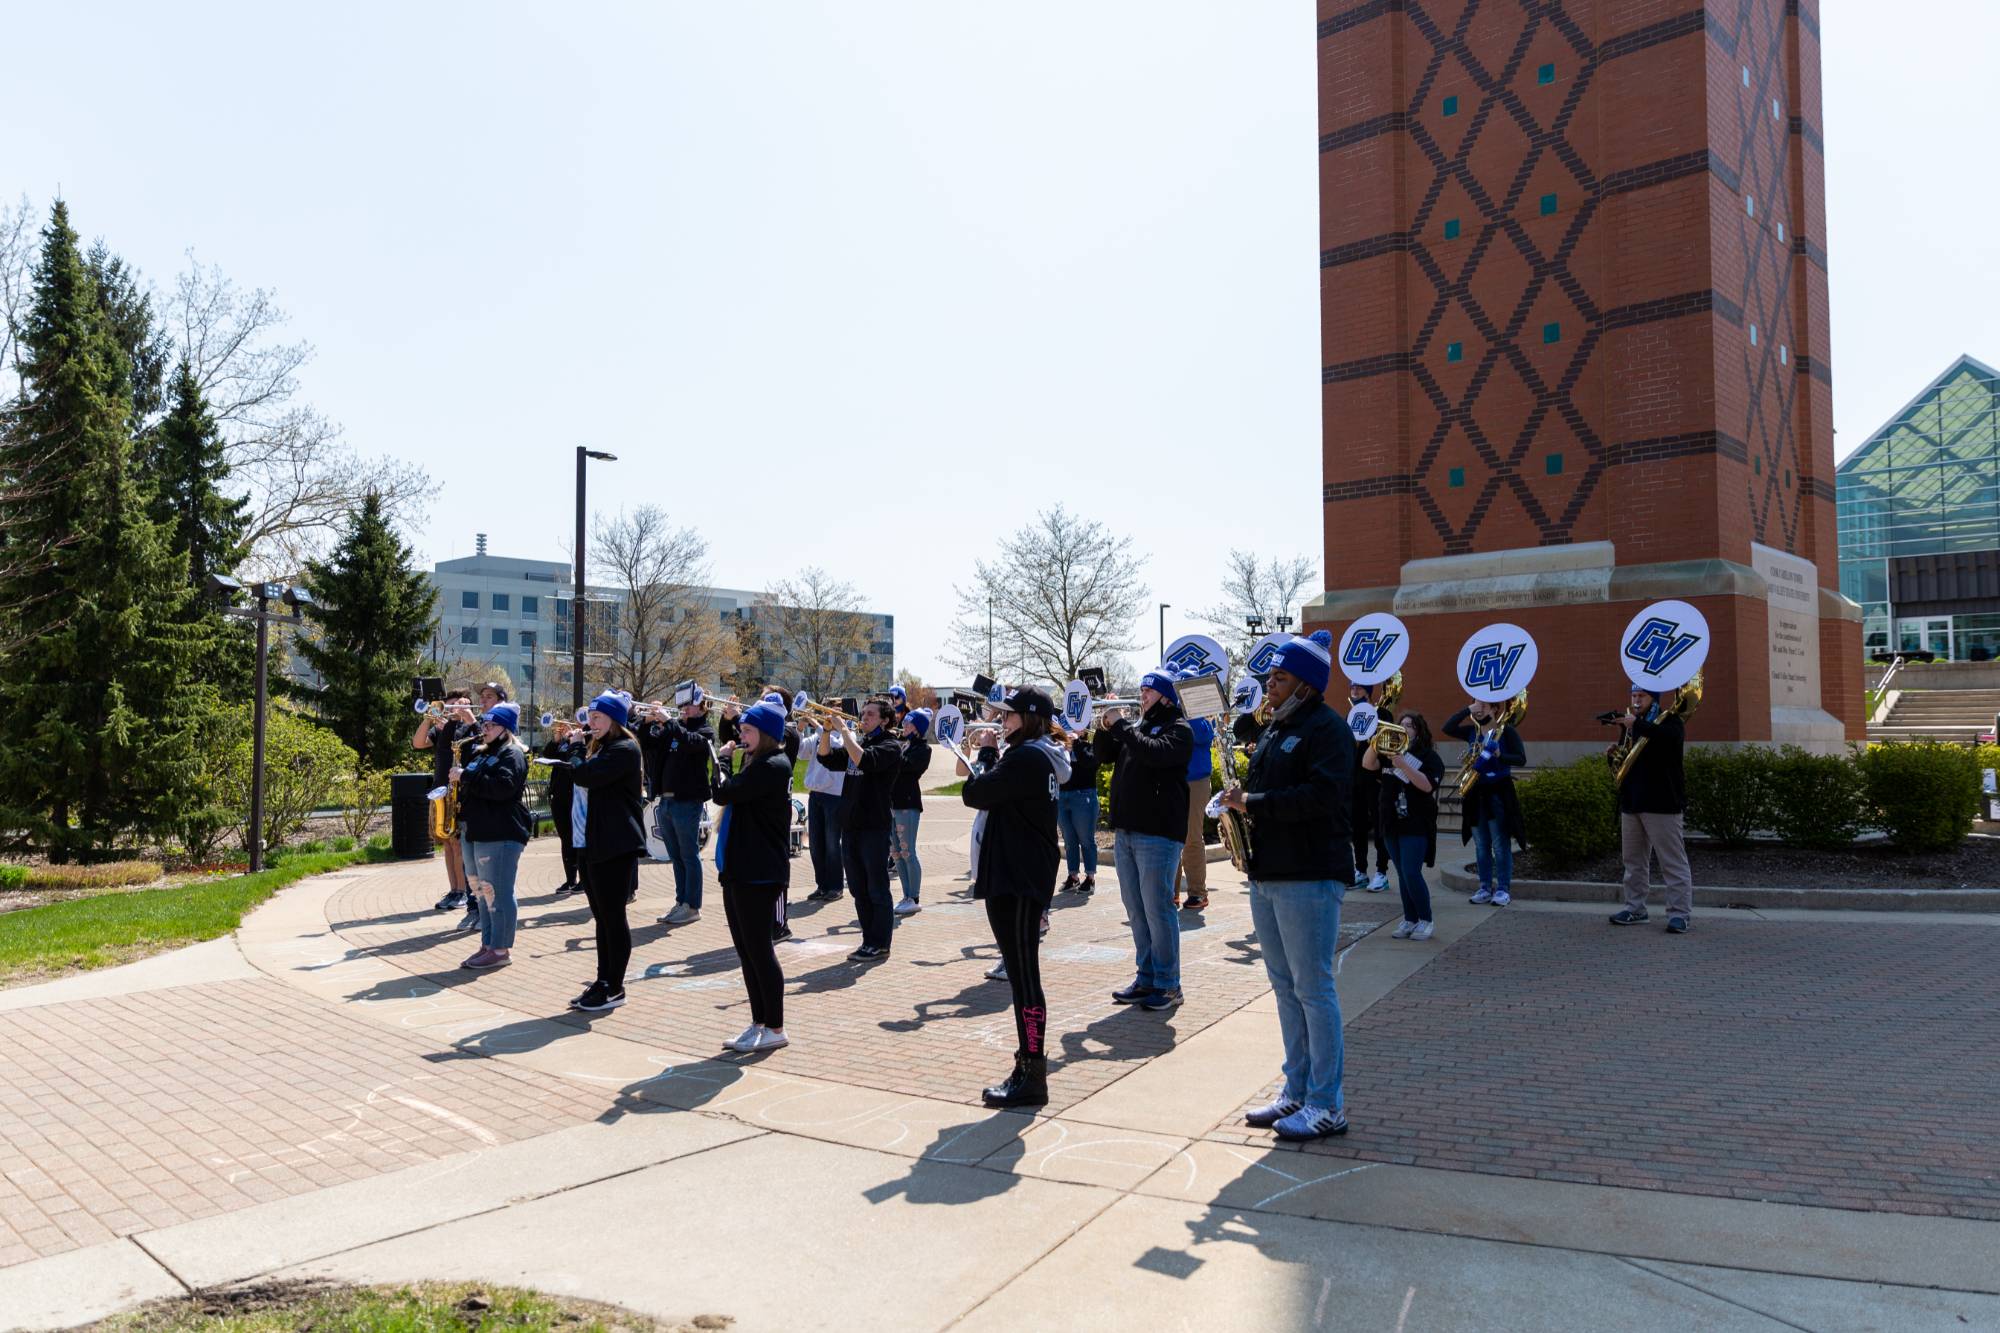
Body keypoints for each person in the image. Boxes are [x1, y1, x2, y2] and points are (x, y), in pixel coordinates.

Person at [1219, 633, 1354, 1141]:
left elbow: (1320, 797)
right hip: (1270, 873)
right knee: (1285, 987)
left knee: (1314, 989)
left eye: (1279, 678)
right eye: (1270, 677)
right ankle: (1296, 1090)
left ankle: (1327, 1103)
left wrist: (1252, 802)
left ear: (1306, 684)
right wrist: (1236, 805)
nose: (1268, 686)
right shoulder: (1276, 729)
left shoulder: (1328, 730)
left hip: (1310, 874)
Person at [962, 687, 1068, 1107]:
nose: (1001, 723)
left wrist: (985, 756)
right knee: (1023, 978)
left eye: (1009, 717)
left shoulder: (1026, 758)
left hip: (1020, 878)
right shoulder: (1033, 757)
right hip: (1017, 874)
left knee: (1025, 979)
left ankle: (1032, 1070)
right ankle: (1027, 1065)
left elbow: (976, 794)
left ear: (1028, 718)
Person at [1093, 669, 1195, 1012]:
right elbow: (1104, 755)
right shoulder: (1136, 727)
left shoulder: (1179, 729)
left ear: (1166, 696)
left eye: (1149, 691)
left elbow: (1155, 753)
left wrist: (1121, 726)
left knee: (1158, 910)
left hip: (1158, 834)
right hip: (1127, 833)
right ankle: (1146, 976)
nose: (1142, 696)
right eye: (1141, 690)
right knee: (1136, 910)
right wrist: (1106, 728)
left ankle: (1169, 985)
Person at [713, 699, 794, 1053]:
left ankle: (775, 1025)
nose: (741, 736)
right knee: (746, 950)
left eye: (747, 730)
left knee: (760, 951)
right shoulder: (759, 763)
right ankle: (759, 1021)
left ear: (765, 734)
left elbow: (722, 792)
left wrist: (722, 761)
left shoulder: (773, 765)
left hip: (759, 871)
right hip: (741, 867)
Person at [567, 692, 647, 1013]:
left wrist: (574, 749)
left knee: (614, 917)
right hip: (594, 842)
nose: (590, 723)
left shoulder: (625, 748)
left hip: (616, 844)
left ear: (614, 719)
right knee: (601, 918)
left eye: (598, 718)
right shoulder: (603, 747)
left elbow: (585, 775)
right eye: (590, 717)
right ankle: (603, 980)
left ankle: (615, 986)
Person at [820, 696, 904, 960]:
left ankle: (880, 943)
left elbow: (865, 761)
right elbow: (826, 758)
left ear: (885, 720)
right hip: (851, 825)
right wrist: (826, 731)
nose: (863, 717)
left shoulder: (890, 746)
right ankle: (868, 939)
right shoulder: (861, 741)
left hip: (874, 827)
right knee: (857, 888)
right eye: (863, 713)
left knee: (876, 888)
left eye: (870, 714)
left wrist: (844, 730)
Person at [1608, 683, 1693, 933]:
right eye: (1633, 695)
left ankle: (1680, 914)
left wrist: (1636, 725)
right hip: (1633, 801)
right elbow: (1626, 763)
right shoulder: (1631, 724)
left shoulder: (1670, 721)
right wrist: (1613, 755)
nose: (1636, 700)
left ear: (1653, 699)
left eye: (1641, 696)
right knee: (1633, 861)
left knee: (1672, 862)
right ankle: (1635, 908)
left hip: (1662, 803)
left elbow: (1667, 740)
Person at [453, 702, 532, 970]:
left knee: (496, 892)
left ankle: (500, 949)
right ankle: (488, 944)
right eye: (484, 724)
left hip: (500, 831)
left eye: (491, 725)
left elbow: (504, 789)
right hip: (477, 829)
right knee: (481, 892)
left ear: (505, 728)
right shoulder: (484, 753)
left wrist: (466, 777)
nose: (484, 729)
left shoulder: (512, 754)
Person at [1363, 710, 1444, 942]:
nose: (1403, 728)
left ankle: (1426, 920)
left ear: (1418, 731)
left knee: (1411, 872)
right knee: (1402, 874)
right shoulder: (1389, 753)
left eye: (1409, 725)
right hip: (1390, 821)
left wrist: (1404, 765)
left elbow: (1427, 786)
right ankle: (1410, 919)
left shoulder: (1428, 757)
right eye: (1401, 724)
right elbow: (1367, 764)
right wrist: (1375, 742)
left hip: (1416, 822)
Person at [642, 687, 719, 928]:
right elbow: (647, 743)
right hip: (665, 801)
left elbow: (692, 742)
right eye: (683, 705)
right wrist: (647, 722)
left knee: (689, 855)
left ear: (702, 707)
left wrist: (670, 722)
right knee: (675, 856)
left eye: (690, 705)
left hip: (687, 801)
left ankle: (692, 906)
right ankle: (681, 901)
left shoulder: (704, 731)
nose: (684, 709)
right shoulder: (672, 730)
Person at [1443, 698, 1527, 906]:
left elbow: (1520, 759)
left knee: (1500, 844)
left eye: (1483, 705)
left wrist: (1500, 754)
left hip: (1498, 793)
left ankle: (1503, 889)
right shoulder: (1472, 731)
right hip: (1476, 793)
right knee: (1481, 845)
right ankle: (1484, 886)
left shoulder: (1506, 731)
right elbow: (1448, 727)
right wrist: (1466, 710)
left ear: (1495, 708)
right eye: (1475, 704)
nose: (1478, 709)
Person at [412, 689, 475, 917]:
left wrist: (464, 716)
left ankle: (463, 891)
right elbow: (418, 743)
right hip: (441, 790)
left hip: (458, 791)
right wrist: (429, 718)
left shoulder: (468, 728)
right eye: (447, 706)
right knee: (447, 844)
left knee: (458, 844)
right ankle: (454, 889)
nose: (449, 711)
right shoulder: (442, 729)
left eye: (454, 706)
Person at [799, 715, 848, 904]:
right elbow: (801, 753)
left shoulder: (846, 734)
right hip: (816, 794)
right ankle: (822, 885)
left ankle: (836, 886)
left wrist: (820, 726)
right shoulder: (817, 736)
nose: (828, 717)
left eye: (833, 714)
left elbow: (836, 746)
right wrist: (800, 729)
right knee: (816, 844)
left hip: (835, 796)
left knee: (832, 843)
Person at [1347, 682, 1391, 892]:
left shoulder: (1382, 713)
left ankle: (1381, 873)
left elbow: (1388, 745)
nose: (1354, 691)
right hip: (1355, 780)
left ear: (1368, 691)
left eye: (1359, 688)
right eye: (1352, 688)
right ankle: (1360, 871)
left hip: (1375, 779)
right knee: (1358, 828)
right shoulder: (1351, 713)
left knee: (1380, 826)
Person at [890, 708, 933, 916]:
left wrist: (892, 748)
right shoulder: (904, 744)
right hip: (892, 803)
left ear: (918, 728)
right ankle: (906, 895)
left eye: (909, 723)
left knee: (908, 852)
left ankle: (914, 897)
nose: (904, 725)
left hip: (908, 804)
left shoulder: (923, 749)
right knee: (896, 853)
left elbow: (907, 767)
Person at [1178, 690, 1215, 913]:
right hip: (1175, 781)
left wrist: (1187, 710)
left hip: (1196, 782)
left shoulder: (1201, 717)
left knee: (1191, 838)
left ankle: (1197, 893)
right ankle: (1171, 893)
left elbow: (1202, 735)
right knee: (1171, 839)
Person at [540, 717, 586, 894]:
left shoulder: (582, 741)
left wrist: (578, 739)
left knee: (579, 838)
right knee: (566, 838)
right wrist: (557, 739)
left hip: (575, 794)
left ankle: (584, 879)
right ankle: (570, 879)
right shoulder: (564, 742)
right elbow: (548, 755)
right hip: (559, 794)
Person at [1057, 719, 1100, 895]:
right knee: (1069, 840)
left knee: (1086, 839)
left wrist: (1077, 744)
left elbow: (1089, 763)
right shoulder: (1062, 746)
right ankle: (1073, 876)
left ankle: (1090, 878)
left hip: (1083, 795)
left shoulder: (1090, 745)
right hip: (1063, 795)